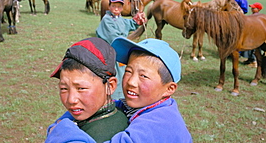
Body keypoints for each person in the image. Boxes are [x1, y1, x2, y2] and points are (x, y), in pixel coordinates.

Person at [45, 37, 193, 143]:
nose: (131, 82)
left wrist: (61, 130)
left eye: (143, 76)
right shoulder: (136, 106)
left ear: (169, 89)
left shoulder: (159, 124)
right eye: (128, 71)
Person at [48, 37, 129, 143]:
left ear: (110, 86)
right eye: (64, 88)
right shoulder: (111, 114)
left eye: (81, 88)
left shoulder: (100, 136)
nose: (71, 100)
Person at [96, 0, 146, 99]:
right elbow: (115, 38)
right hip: (111, 55)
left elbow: (130, 24)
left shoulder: (120, 19)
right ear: (109, 6)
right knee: (114, 78)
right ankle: (113, 99)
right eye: (113, 6)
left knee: (123, 76)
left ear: (122, 8)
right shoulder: (107, 20)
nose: (116, 8)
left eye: (119, 6)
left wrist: (138, 20)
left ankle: (122, 97)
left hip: (120, 55)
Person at [241, 2, 264, 67]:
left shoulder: (258, 17)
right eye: (252, 8)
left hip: (255, 36)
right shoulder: (253, 16)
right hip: (250, 35)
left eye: (254, 8)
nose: (252, 9)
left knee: (254, 49)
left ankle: (254, 62)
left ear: (258, 9)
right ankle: (250, 59)